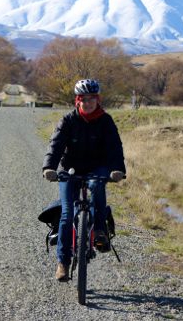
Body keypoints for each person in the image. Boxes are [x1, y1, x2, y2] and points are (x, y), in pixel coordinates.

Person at [42, 78, 126, 281]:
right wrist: (49, 168)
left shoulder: (106, 121)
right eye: (83, 99)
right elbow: (56, 145)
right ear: (77, 100)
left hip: (97, 167)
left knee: (97, 186)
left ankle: (99, 231)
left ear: (98, 100)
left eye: (92, 99)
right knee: (67, 213)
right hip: (70, 168)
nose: (88, 103)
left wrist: (117, 170)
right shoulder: (68, 120)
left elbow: (114, 147)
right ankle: (63, 262)